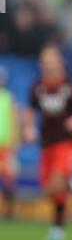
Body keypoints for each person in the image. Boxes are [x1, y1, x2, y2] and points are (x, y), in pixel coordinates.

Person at [23, 45, 72, 240]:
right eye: (45, 60)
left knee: (57, 183)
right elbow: (29, 110)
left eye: (51, 59)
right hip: (46, 144)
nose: (48, 64)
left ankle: (58, 227)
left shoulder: (71, 85)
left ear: (59, 61)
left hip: (67, 142)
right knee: (49, 190)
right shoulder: (37, 87)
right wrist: (29, 127)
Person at [0, 66, 19, 220]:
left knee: (8, 179)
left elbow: (14, 120)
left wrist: (15, 141)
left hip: (5, 146)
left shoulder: (8, 97)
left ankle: (10, 212)